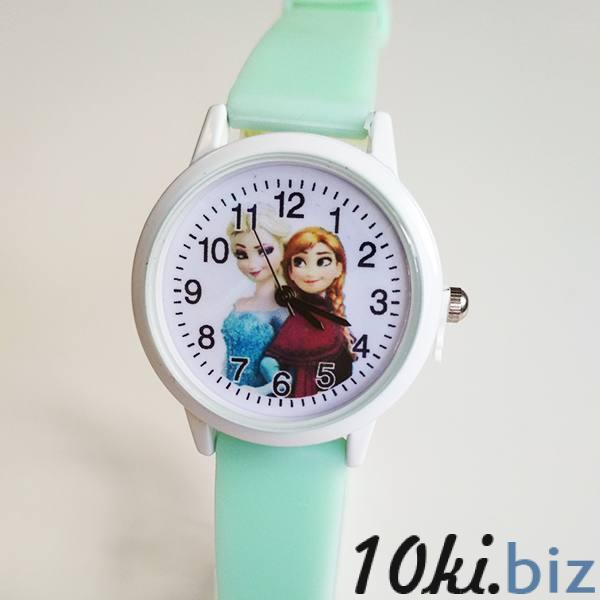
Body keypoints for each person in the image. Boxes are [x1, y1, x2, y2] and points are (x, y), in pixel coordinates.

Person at [261, 226, 354, 397]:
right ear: (290, 271)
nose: (311, 273)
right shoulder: (297, 320)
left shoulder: (332, 313)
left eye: (322, 261)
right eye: (299, 262)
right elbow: (268, 361)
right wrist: (278, 379)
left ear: (338, 268)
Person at [221, 204, 290, 387]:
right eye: (241, 254)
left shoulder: (286, 308)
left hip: (266, 395)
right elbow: (229, 357)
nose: (252, 264)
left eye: (264, 251)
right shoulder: (240, 303)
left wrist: (259, 393)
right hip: (228, 392)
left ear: (283, 249)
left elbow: (292, 372)